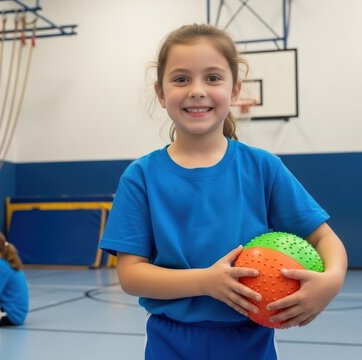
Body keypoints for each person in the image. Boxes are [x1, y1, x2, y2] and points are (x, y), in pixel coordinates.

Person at [99, 24, 347, 360]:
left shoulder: (262, 167)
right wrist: (205, 282)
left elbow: (325, 238)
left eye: (213, 78)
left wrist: (331, 281)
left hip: (250, 340)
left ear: (235, 91)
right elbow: (131, 275)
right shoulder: (141, 176)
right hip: (170, 341)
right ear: (160, 92)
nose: (197, 90)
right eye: (181, 78)